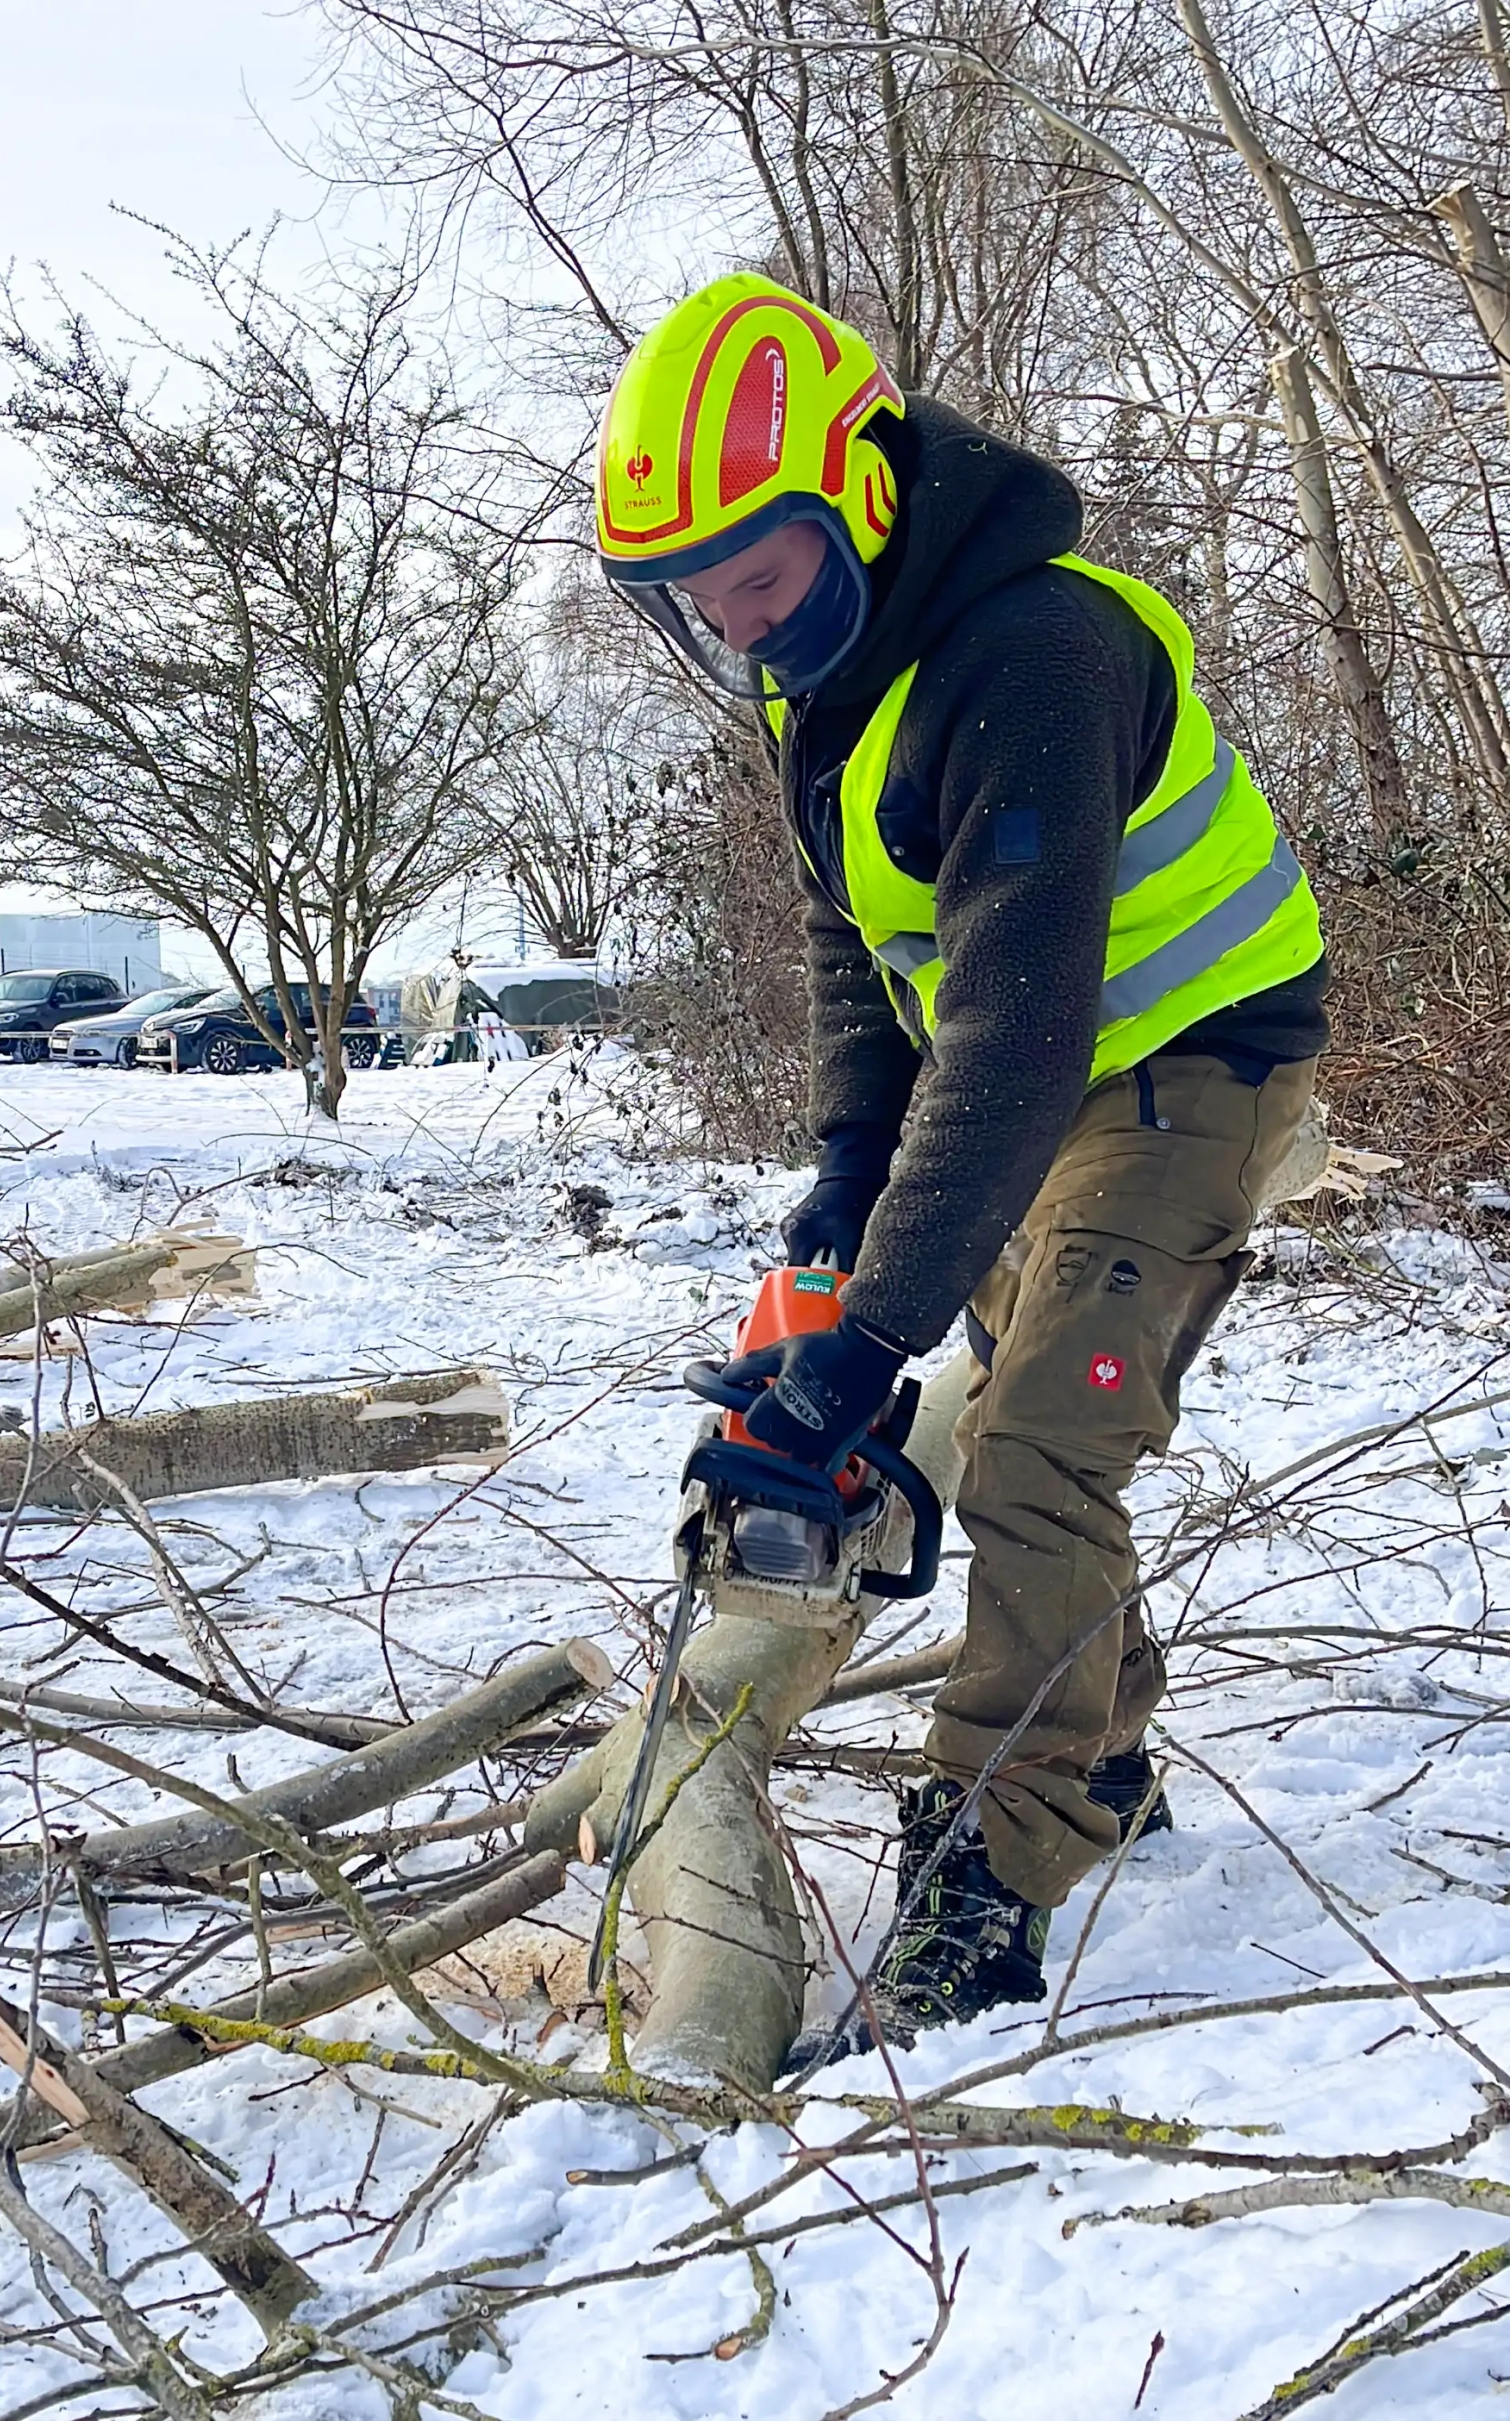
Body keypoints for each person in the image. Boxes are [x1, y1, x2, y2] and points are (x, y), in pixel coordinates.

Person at [595, 275, 1327, 2048]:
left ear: (851, 493)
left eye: (755, 579)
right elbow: (865, 939)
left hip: (1185, 1071)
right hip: (1034, 1091)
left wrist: (861, 1353)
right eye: (689, 598)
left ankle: (990, 1867)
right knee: (1023, 1435)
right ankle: (1106, 1750)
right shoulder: (821, 672)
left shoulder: (1030, 656)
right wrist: (851, 1166)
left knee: (1027, 1455)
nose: (735, 625)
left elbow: (1012, 1029)